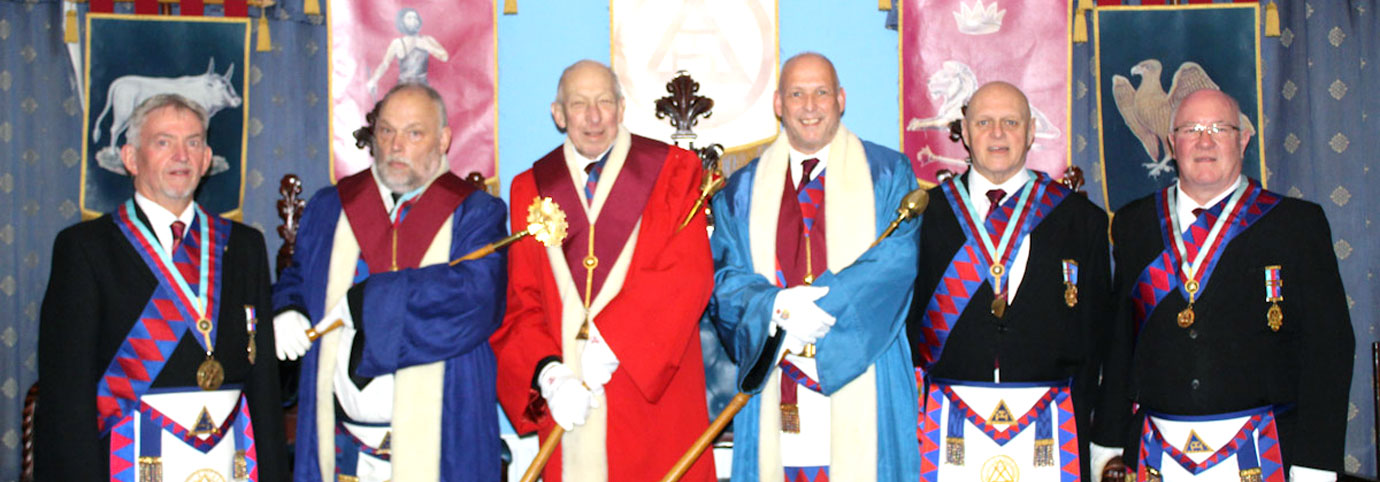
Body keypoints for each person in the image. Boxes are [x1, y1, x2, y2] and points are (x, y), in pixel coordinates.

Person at [1092, 89, 1354, 481]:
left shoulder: (1295, 225)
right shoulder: (1135, 224)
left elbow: (1328, 351)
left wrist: (1315, 464)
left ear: (1243, 138)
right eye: (1191, 129)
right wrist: (1107, 443)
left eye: (1219, 128)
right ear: (1171, 142)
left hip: (1262, 453)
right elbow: (1119, 343)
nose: (1205, 141)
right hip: (1156, 452)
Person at [37, 94, 285, 480]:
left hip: (230, 460)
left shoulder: (243, 246)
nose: (182, 155)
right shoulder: (85, 249)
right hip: (128, 460)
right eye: (163, 142)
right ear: (131, 158)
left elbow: (264, 386)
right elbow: (67, 397)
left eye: (194, 142)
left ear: (206, 160)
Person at [490, 60, 715, 481]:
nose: (593, 117)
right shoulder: (530, 187)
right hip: (569, 402)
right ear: (558, 114)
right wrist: (550, 376)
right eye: (579, 104)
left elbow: (688, 275)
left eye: (604, 102)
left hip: (651, 397)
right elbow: (523, 303)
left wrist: (616, 341)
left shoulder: (673, 171)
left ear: (622, 108)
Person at [272, 83, 507, 481]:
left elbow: (474, 300)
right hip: (342, 439)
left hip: (440, 441)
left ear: (444, 139)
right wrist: (287, 307)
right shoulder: (331, 207)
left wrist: (366, 301)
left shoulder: (475, 214)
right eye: (386, 131)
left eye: (414, 133)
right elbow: (300, 277)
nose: (397, 146)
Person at [709, 52, 921, 481]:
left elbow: (897, 262)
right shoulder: (740, 191)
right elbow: (724, 280)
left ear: (841, 99)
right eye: (797, 94)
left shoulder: (888, 173)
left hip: (866, 374)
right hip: (773, 381)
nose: (809, 105)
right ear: (778, 104)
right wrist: (776, 306)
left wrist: (824, 308)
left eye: (821, 92)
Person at [905, 81, 1110, 480]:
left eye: (1010, 122)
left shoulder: (1081, 221)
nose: (997, 133)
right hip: (950, 426)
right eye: (984, 122)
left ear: (1031, 131)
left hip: (1051, 428)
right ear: (964, 133)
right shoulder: (927, 218)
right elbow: (911, 330)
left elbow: (1096, 337)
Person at [365, 7, 450, 98]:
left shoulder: (427, 39)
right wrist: (373, 80)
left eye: (415, 18)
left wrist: (428, 47)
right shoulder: (397, 43)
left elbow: (445, 57)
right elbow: (385, 63)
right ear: (402, 21)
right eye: (409, 18)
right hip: (403, 87)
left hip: (422, 87)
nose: (413, 20)